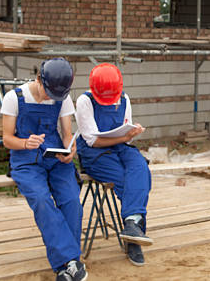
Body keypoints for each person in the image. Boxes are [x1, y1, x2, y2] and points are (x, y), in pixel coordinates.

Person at [1, 58, 87, 281]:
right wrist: (24, 143)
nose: (53, 98)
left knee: (72, 201)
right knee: (41, 199)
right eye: (50, 93)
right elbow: (7, 139)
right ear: (39, 79)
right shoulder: (14, 98)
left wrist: (70, 149)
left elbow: (67, 133)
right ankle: (71, 262)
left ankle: (65, 267)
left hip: (55, 158)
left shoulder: (63, 98)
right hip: (25, 160)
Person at [75, 63, 151, 266]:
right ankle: (134, 234)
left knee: (141, 168)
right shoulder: (85, 101)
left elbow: (127, 138)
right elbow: (93, 140)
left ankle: (130, 225)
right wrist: (124, 137)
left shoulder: (124, 98)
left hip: (120, 146)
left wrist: (131, 135)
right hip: (94, 152)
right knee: (125, 180)